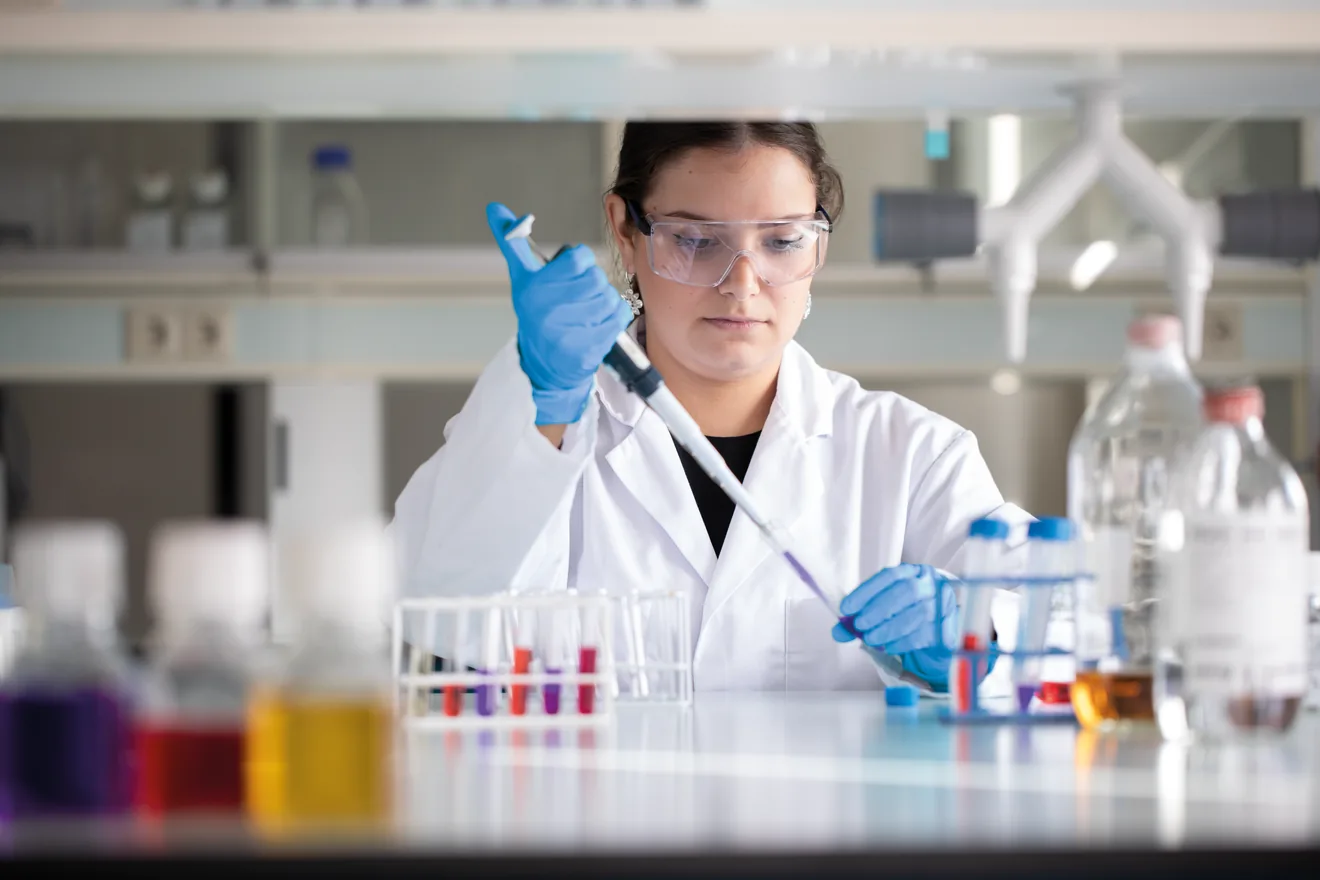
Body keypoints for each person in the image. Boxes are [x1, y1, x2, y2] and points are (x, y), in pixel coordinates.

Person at [390, 122, 1030, 693]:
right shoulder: (541, 427)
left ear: (819, 248)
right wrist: (544, 397)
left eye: (781, 242)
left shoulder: (911, 454)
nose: (742, 283)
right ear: (625, 230)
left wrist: (982, 634)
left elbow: (1057, 624)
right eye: (696, 240)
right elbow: (435, 616)